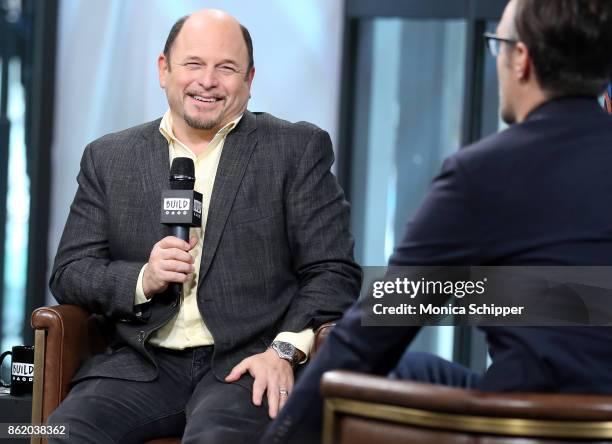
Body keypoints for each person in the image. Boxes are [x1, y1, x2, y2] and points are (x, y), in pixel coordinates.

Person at [263, 0, 612, 442]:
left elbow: (378, 329)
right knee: (417, 369)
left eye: (497, 44)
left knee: (352, 373)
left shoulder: (485, 173)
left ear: (521, 59)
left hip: (528, 422)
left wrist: (279, 437)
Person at [48, 9, 361, 444]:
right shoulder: (109, 157)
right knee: (62, 435)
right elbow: (70, 272)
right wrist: (143, 278)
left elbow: (333, 271)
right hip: (142, 365)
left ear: (249, 79)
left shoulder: (296, 149)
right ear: (164, 70)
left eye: (226, 68)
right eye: (193, 64)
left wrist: (284, 350)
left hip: (247, 364)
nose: (208, 81)